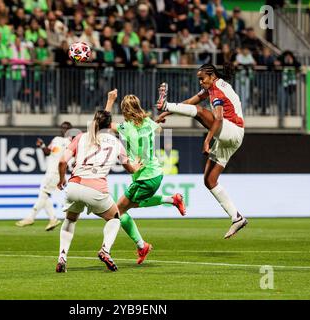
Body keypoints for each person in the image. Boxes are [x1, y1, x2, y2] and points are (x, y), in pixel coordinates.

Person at [156, 63, 248, 239]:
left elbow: (218, 118)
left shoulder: (217, 91)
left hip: (232, 130)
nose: (200, 82)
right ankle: (237, 217)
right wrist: (167, 113)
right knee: (209, 180)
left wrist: (207, 140)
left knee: (199, 112)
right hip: (230, 137)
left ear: (212, 76)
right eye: (198, 79)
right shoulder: (212, 87)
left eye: (202, 79)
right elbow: (190, 102)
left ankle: (165, 104)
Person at [104, 89, 186, 264]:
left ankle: (141, 245)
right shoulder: (149, 122)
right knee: (125, 208)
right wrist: (158, 119)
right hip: (155, 174)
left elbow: (104, 123)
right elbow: (159, 128)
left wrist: (110, 101)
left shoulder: (126, 127)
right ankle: (173, 200)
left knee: (117, 212)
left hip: (145, 178)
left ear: (125, 111)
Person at [55, 111, 143, 272]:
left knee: (71, 219)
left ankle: (62, 256)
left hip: (74, 186)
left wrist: (61, 180)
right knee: (115, 218)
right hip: (96, 189)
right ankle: (105, 250)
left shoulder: (80, 137)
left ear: (94, 121)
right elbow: (130, 168)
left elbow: (62, 161)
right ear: (110, 125)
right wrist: (136, 166)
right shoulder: (116, 143)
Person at [16, 122, 74, 231]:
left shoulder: (70, 142)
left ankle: (31, 217)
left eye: (66, 128)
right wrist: (42, 146)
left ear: (71, 130)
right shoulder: (56, 139)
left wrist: (64, 174)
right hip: (50, 171)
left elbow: (69, 159)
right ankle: (53, 219)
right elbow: (48, 152)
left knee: (43, 194)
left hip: (56, 172)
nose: (64, 130)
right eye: (62, 127)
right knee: (44, 195)